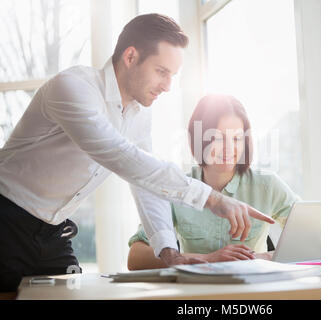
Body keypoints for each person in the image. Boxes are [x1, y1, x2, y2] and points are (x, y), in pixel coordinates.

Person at [0, 14, 274, 292]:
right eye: (162, 72)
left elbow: (146, 184)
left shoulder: (139, 115)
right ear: (131, 57)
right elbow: (120, 156)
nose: (168, 85)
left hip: (54, 233)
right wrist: (211, 198)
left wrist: (170, 254)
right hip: (7, 220)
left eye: (173, 76)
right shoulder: (73, 87)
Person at [127, 94, 301, 270]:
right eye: (218, 138)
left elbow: (313, 240)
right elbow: (135, 258)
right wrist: (209, 258)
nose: (229, 148)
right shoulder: (178, 188)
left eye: (237, 138)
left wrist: (264, 257)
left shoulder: (267, 185)